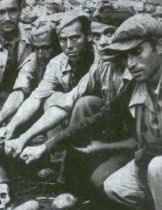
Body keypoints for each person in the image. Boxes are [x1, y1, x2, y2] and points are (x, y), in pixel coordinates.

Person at [19, 2, 137, 191]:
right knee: (84, 103)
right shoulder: (103, 66)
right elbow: (69, 101)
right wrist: (23, 138)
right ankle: (69, 179)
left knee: (103, 183)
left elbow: (143, 137)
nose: (103, 42)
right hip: (119, 132)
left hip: (142, 144)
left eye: (110, 33)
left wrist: (102, 147)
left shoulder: (138, 72)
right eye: (97, 36)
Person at [0, 11, 94, 157]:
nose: (69, 46)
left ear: (88, 36)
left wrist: (24, 138)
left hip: (99, 116)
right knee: (52, 98)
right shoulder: (57, 63)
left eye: (75, 38)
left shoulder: (100, 60)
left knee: (83, 103)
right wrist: (12, 126)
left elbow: (68, 101)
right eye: (63, 40)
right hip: (70, 113)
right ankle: (57, 158)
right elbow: (37, 96)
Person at [102, 14, 162, 210]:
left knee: (157, 168)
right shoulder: (140, 82)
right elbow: (103, 115)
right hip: (153, 158)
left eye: (137, 52)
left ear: (160, 46)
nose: (130, 64)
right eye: (126, 56)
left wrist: (143, 156)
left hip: (157, 161)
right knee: (116, 186)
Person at [0, 21, 60, 129]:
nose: (40, 53)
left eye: (46, 48)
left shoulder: (65, 59)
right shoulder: (34, 59)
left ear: (57, 44)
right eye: (37, 48)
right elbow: (20, 91)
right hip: (38, 103)